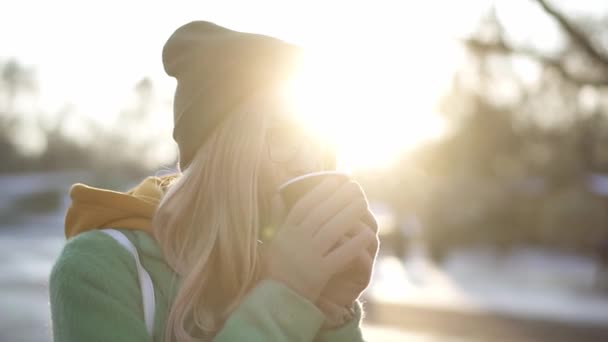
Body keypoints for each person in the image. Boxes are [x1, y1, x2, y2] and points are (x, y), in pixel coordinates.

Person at [49, 21, 379, 342]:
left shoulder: (286, 267)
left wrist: (331, 311)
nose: (308, 163)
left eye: (322, 146)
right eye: (284, 136)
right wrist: (287, 294)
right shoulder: (100, 268)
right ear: (223, 151)